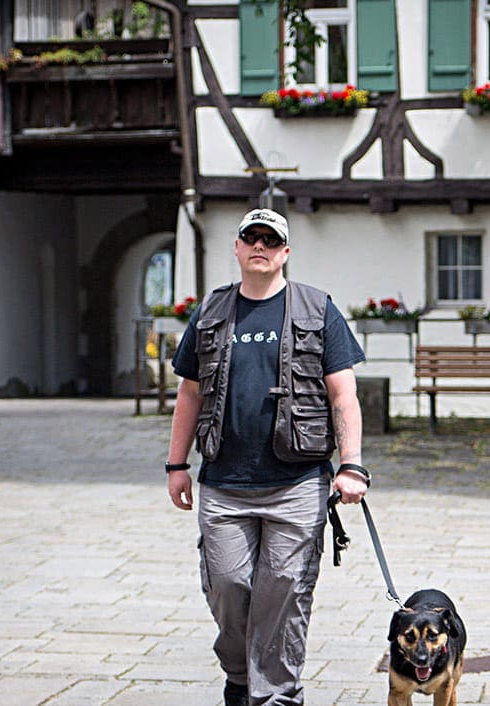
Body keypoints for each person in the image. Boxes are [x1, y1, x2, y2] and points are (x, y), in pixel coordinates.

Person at [165, 208, 368, 706]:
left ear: (285, 252)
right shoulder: (210, 312)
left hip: (297, 483)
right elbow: (189, 393)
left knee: (284, 592)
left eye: (270, 240)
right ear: (237, 248)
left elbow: (343, 394)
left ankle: (277, 696)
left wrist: (351, 464)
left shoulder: (317, 309)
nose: (260, 246)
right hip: (224, 482)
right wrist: (176, 465)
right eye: (251, 237)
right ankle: (240, 677)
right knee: (227, 586)